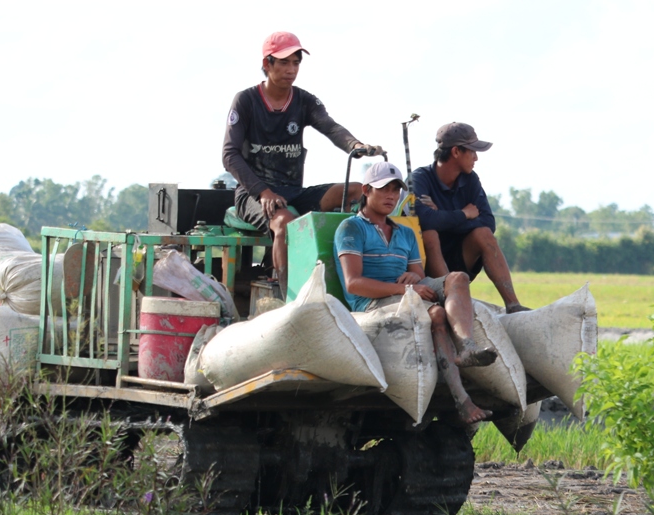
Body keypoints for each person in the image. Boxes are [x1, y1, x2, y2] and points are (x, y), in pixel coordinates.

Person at [334, 161, 496, 424]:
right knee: (436, 315)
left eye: (395, 190)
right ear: (366, 190)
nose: (390, 196)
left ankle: (467, 346)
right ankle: (462, 400)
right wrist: (406, 288)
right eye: (383, 189)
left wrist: (414, 278)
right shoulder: (351, 228)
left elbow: (419, 275)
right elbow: (354, 284)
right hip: (373, 301)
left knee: (457, 278)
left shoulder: (405, 233)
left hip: (405, 292)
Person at [222, 31, 382, 296]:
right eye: (284, 62)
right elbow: (229, 155)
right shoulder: (246, 100)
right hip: (254, 193)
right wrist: (262, 192)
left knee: (357, 190)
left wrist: (355, 145)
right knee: (286, 223)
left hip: (293, 190)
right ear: (267, 65)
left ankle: (357, 280)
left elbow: (331, 127)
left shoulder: (304, 100)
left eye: (296, 62)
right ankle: (289, 297)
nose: (291, 69)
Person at [411, 122, 528, 314]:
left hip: (461, 257)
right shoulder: (420, 178)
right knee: (430, 233)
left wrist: (441, 214)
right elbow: (426, 221)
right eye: (472, 151)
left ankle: (514, 306)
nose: (476, 158)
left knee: (483, 233)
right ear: (456, 152)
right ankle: (448, 298)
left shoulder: (471, 179)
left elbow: (488, 223)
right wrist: (464, 214)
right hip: (428, 265)